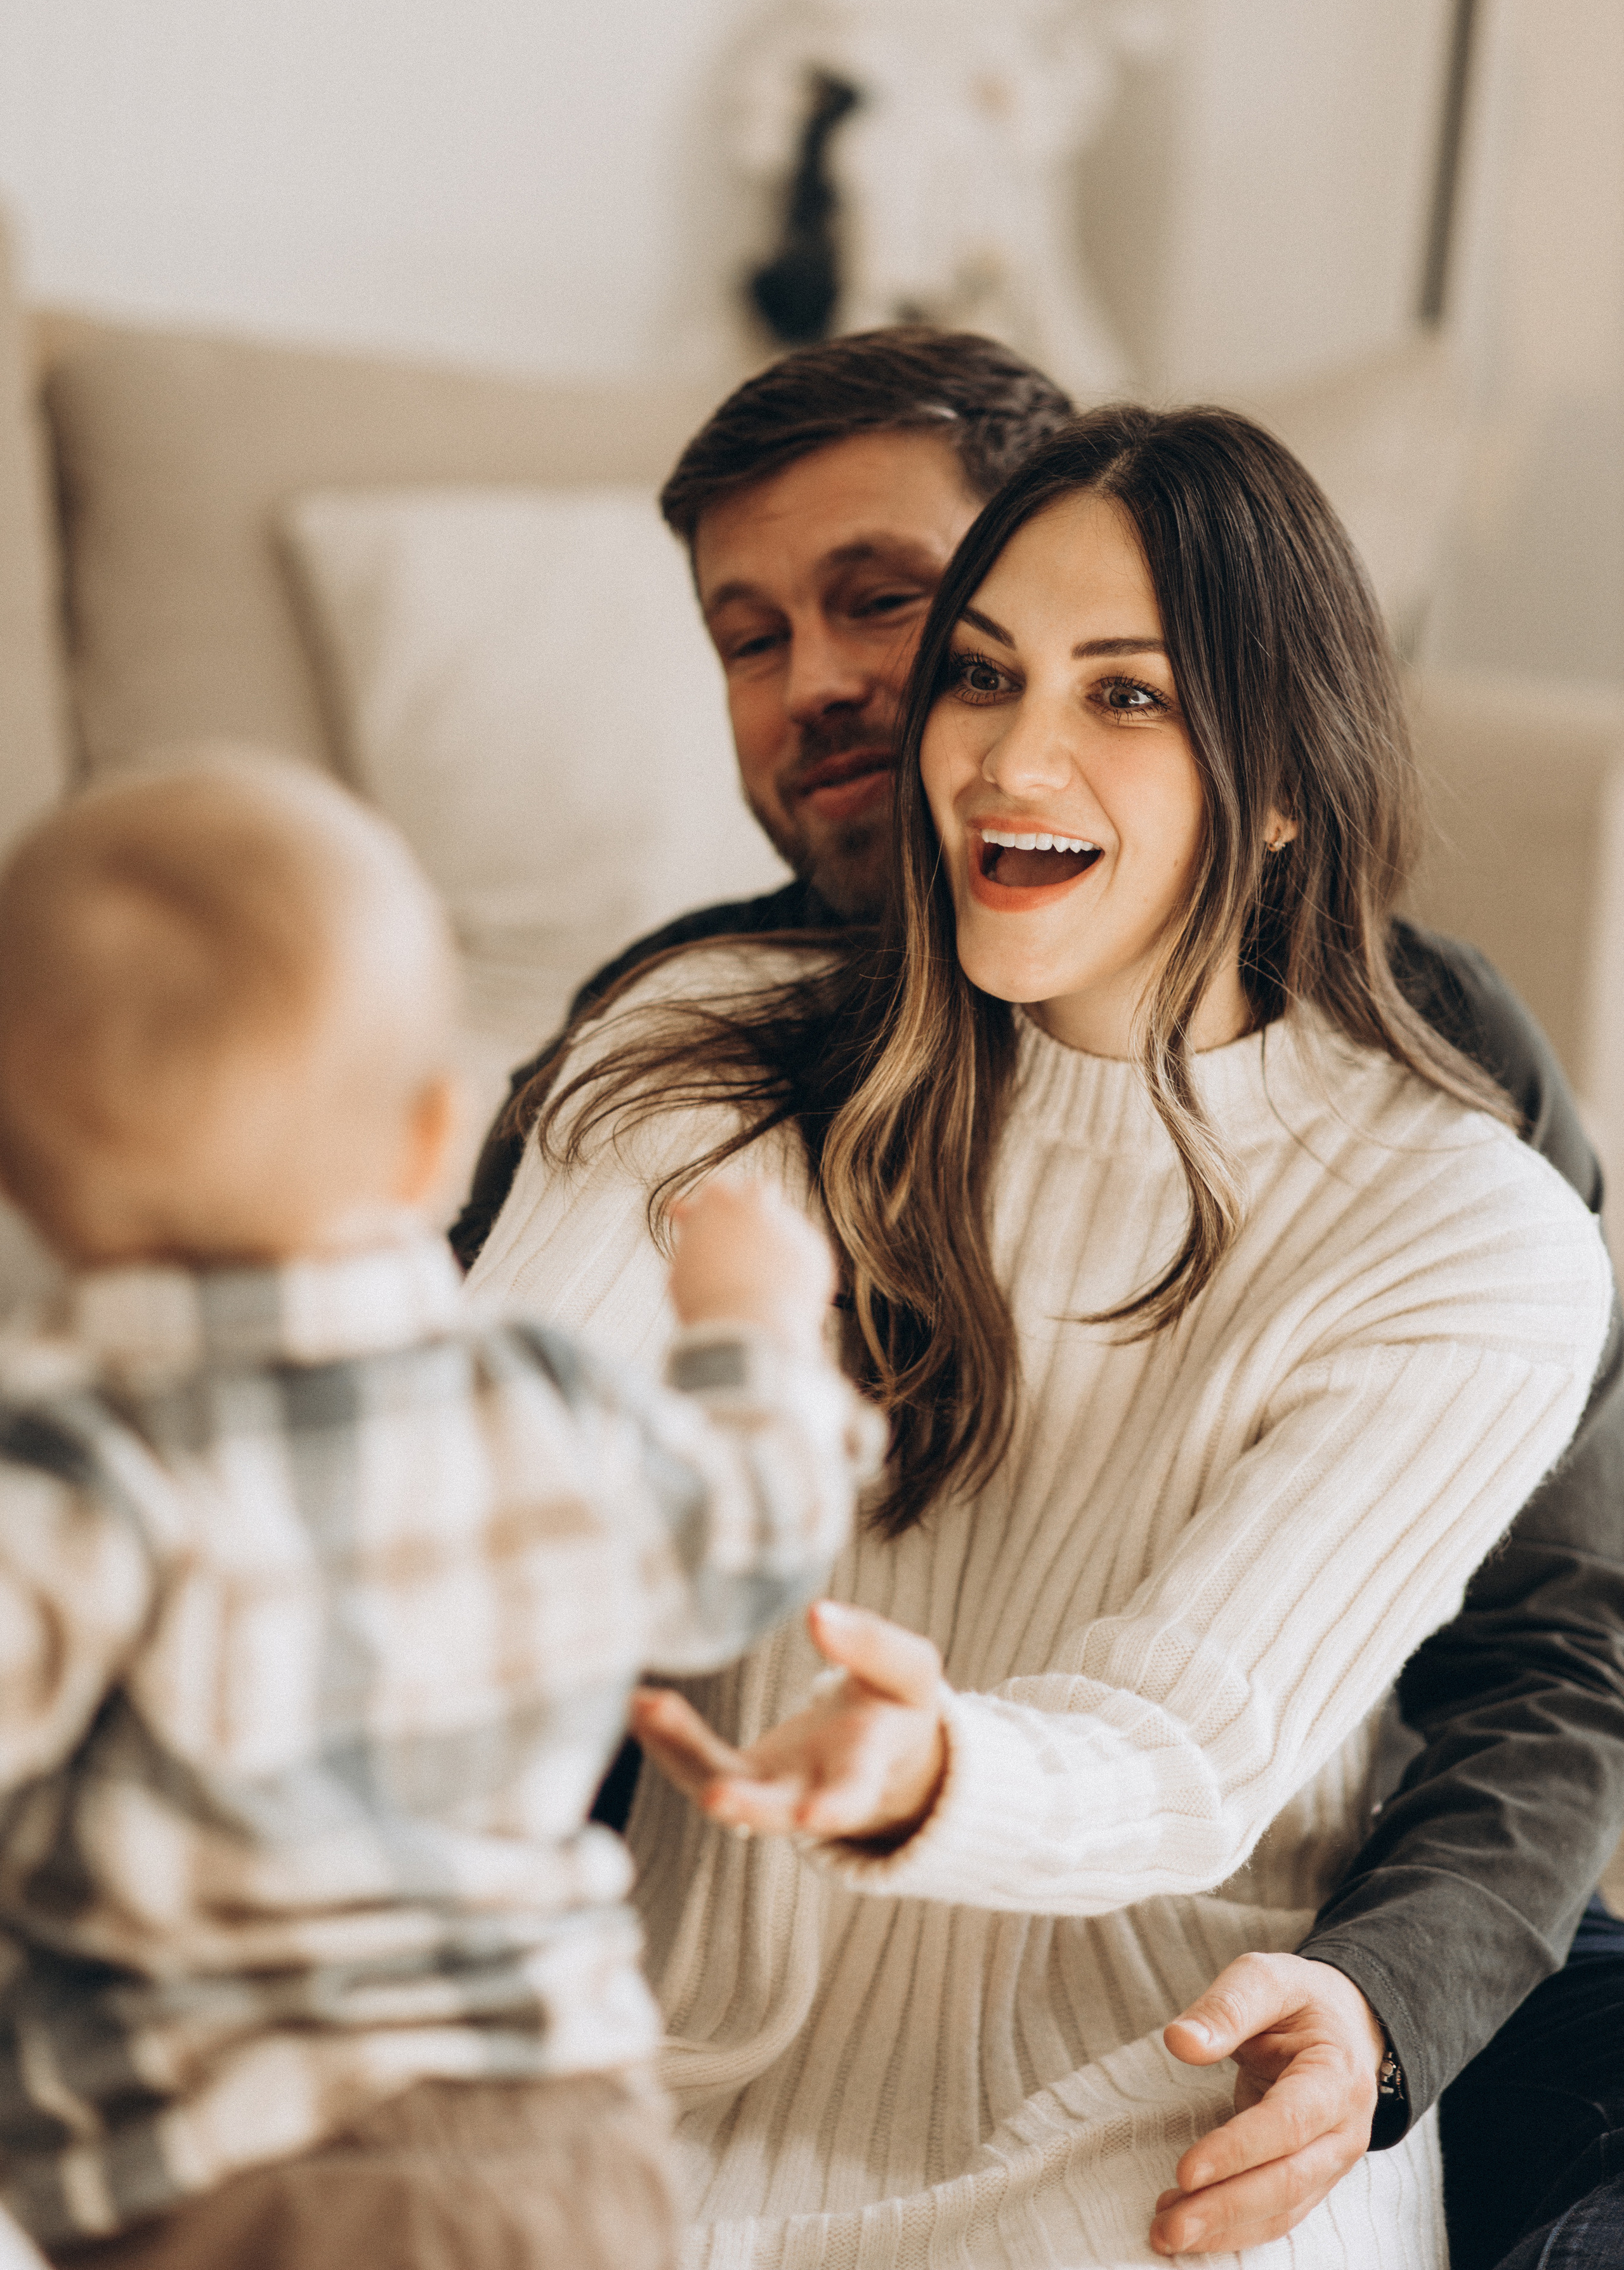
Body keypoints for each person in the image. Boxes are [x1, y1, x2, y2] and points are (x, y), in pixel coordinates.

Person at [454, 331, 1624, 2262]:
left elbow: (1536, 1657)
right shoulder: (693, 1041)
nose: (989, 749)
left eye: (888, 615)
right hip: (645, 2047)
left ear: (1276, 783)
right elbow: (474, 1509)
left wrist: (938, 1773)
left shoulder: (1464, 1170)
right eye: (979, 678)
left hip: (1176, 2068)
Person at [0, 754, 880, 2269]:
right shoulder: (542, 1396)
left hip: (235, 2179)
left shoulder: (84, 1465)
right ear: (431, 1139)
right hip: (570, 2147)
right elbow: (746, 1544)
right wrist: (752, 1337)